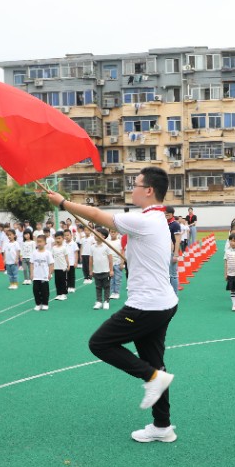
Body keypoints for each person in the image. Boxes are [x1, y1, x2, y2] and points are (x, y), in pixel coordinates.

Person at [47, 167, 179, 443]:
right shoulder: (157, 221)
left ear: (149, 190)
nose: (132, 187)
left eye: (136, 183)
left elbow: (97, 216)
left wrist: (61, 202)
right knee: (155, 363)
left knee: (100, 343)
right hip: (161, 303)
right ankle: (162, 426)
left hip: (147, 305)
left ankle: (153, 379)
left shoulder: (145, 219)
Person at [89, 228, 114, 310]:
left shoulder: (107, 247)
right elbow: (91, 259)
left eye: (97, 233)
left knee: (107, 286)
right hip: (96, 271)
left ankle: (106, 301)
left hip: (106, 271)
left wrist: (111, 270)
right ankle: (99, 301)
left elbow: (110, 259)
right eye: (95, 233)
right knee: (98, 287)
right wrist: (91, 270)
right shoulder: (92, 247)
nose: (95, 235)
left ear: (103, 236)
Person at [30, 234, 54, 311]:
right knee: (36, 290)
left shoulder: (48, 253)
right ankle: (38, 304)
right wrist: (31, 273)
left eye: (41, 242)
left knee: (45, 291)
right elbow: (31, 263)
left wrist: (50, 273)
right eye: (38, 242)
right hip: (36, 276)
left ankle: (45, 303)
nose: (39, 243)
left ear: (45, 243)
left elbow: (51, 264)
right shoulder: (34, 253)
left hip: (44, 276)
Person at [165, 206, 182, 295]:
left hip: (172, 252)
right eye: (165, 213)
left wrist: (175, 254)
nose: (166, 214)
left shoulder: (175, 224)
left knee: (173, 274)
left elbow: (178, 240)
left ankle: (175, 294)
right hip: (165, 252)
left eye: (167, 213)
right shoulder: (165, 223)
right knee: (166, 274)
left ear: (172, 214)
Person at [51, 230, 69, 301]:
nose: (58, 240)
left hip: (63, 267)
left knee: (63, 281)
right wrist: (52, 267)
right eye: (56, 238)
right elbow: (52, 258)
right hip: (56, 267)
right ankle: (59, 294)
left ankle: (64, 294)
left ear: (63, 239)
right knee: (57, 281)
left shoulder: (64, 248)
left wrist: (68, 265)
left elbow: (66, 257)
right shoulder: (54, 248)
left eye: (59, 238)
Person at [108, 229, 124, 300]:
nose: (113, 233)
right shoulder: (107, 242)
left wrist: (122, 263)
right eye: (111, 232)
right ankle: (112, 292)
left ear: (117, 233)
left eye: (114, 232)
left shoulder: (119, 242)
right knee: (111, 279)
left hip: (117, 262)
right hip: (109, 263)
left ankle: (117, 292)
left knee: (117, 279)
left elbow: (122, 253)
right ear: (109, 233)